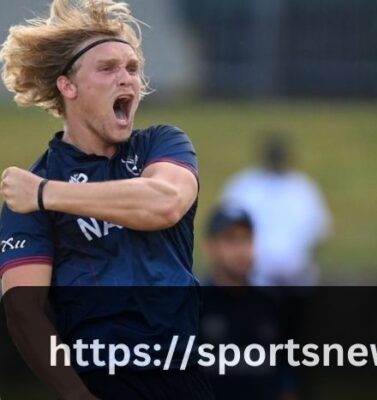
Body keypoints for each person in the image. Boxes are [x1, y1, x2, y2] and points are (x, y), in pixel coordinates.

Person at [0, 1, 211, 399]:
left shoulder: (161, 144)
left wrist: (47, 195)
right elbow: (23, 312)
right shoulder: (29, 191)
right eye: (108, 68)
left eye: (132, 68)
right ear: (68, 86)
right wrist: (77, 395)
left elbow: (163, 203)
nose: (127, 79)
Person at [200, 204, 299, 400]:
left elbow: (286, 375)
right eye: (230, 240)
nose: (240, 250)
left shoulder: (272, 304)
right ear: (210, 247)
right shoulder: (194, 304)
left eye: (246, 239)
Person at [221, 133, 331, 286]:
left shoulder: (302, 188)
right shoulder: (245, 186)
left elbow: (319, 234)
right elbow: (225, 230)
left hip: (296, 280)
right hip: (254, 279)